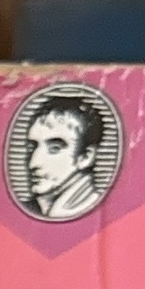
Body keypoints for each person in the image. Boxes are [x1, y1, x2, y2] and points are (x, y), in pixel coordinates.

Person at [17, 89, 108, 221]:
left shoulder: (96, 206)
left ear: (85, 157)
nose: (33, 164)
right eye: (32, 148)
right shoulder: (33, 209)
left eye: (54, 148)